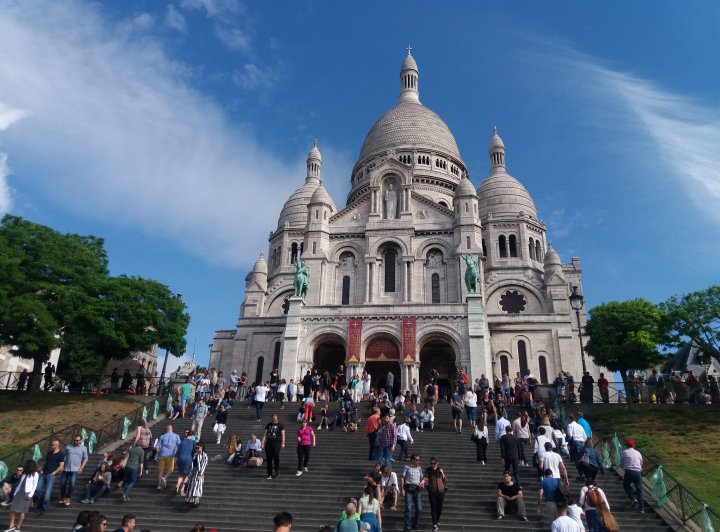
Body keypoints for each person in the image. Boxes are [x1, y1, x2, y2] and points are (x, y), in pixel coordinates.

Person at [33, 438, 65, 514]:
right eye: (51, 444)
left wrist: (55, 472)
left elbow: (61, 466)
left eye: (52, 445)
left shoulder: (61, 454)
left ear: (57, 445)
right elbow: (46, 462)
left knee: (48, 492)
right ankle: (40, 505)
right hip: (44, 473)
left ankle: (45, 507)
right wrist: (41, 470)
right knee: (37, 490)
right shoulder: (49, 453)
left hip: (51, 475)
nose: (51, 446)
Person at [5, 460, 38, 532]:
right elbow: (20, 483)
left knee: (22, 511)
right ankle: (11, 525)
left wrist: (30, 495)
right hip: (19, 492)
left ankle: (18, 526)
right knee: (12, 509)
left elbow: (35, 485)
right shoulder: (25, 473)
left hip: (27, 493)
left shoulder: (35, 474)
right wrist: (15, 492)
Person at [60, 434, 88, 507]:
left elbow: (85, 458)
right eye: (75, 440)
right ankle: (63, 496)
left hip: (75, 469)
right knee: (62, 483)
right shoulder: (68, 446)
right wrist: (61, 465)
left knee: (72, 484)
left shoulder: (84, 448)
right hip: (66, 468)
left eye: (77, 440)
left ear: (81, 441)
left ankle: (68, 497)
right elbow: (63, 456)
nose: (75, 441)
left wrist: (81, 468)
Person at [400, 454, 423, 531]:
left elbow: (421, 478)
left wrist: (422, 483)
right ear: (412, 460)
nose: (418, 461)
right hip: (408, 489)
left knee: (419, 508)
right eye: (417, 460)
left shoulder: (419, 468)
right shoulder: (407, 467)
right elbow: (402, 478)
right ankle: (407, 526)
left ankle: (415, 524)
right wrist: (402, 489)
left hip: (417, 489)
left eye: (419, 460)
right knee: (408, 508)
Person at [621, 438, 645, 513]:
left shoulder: (624, 452)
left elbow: (621, 463)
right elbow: (641, 463)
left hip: (629, 471)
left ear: (626, 445)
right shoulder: (638, 453)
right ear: (633, 445)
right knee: (639, 490)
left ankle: (633, 498)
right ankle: (642, 508)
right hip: (638, 472)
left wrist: (624, 467)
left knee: (626, 485)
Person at [423, 457, 446, 532]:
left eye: (433, 463)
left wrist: (442, 473)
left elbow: (444, 479)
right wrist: (428, 488)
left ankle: (437, 519)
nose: (432, 464)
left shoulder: (440, 470)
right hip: (432, 492)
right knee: (433, 508)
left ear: (437, 463)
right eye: (431, 463)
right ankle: (434, 524)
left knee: (439, 508)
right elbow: (425, 479)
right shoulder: (428, 470)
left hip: (441, 492)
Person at [155, 424, 181, 489]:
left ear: (166, 429)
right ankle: (165, 477)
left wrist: (158, 454)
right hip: (171, 454)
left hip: (162, 454)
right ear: (172, 429)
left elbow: (157, 447)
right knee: (170, 469)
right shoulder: (176, 436)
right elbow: (180, 445)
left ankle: (159, 485)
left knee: (161, 470)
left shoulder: (162, 436)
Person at [262, 413, 285, 479]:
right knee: (268, 459)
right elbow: (265, 434)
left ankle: (277, 471)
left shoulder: (280, 425)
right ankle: (269, 474)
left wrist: (283, 443)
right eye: (273, 418)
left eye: (275, 418)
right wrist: (262, 443)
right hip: (268, 443)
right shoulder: (268, 425)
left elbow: (283, 434)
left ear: (277, 418)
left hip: (277, 443)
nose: (274, 419)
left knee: (276, 456)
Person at [185, 442, 208, 507]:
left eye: (198, 448)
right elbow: (191, 464)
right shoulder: (195, 454)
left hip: (198, 472)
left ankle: (196, 501)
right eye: (196, 448)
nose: (197, 449)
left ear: (202, 447)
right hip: (193, 471)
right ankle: (189, 500)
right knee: (191, 486)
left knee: (197, 487)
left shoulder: (204, 455)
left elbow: (204, 465)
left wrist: (200, 474)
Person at [175, 430, 195, 495]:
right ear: (192, 435)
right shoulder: (193, 442)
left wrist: (176, 458)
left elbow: (178, 450)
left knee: (181, 474)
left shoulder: (182, 441)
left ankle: (178, 484)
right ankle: (182, 489)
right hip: (188, 459)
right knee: (186, 475)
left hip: (180, 458)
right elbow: (193, 451)